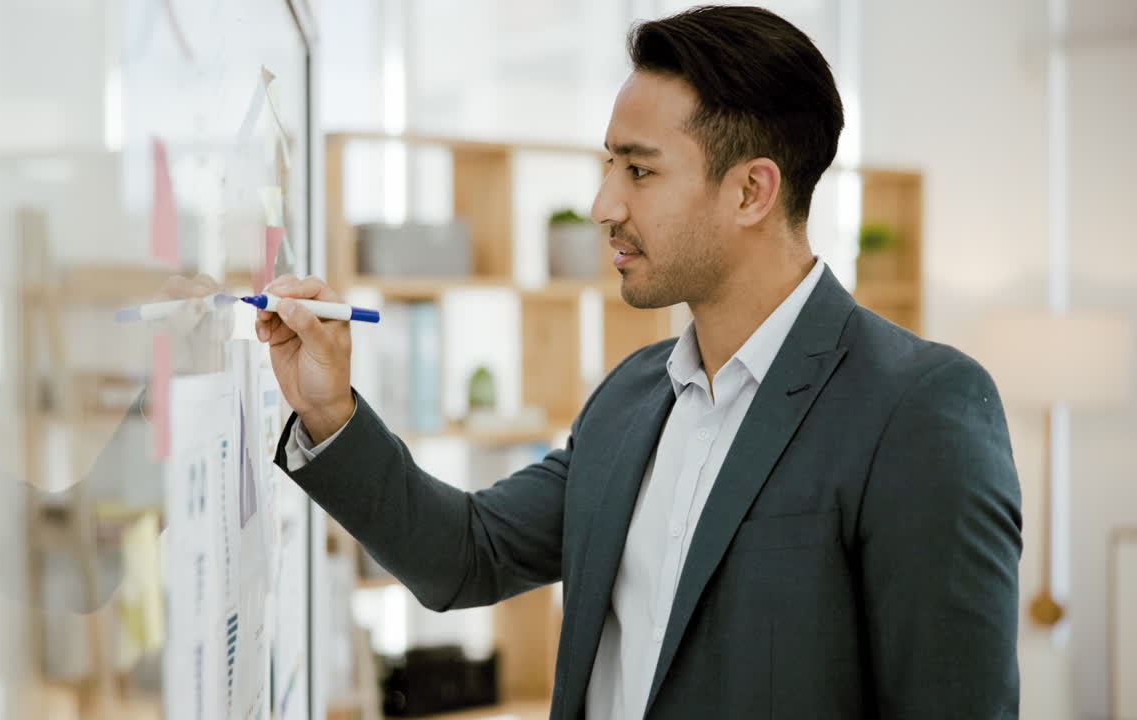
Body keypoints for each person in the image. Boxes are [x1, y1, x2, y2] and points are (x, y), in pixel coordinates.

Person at [255, 5, 1022, 718]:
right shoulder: (629, 399)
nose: (602, 205)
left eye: (639, 170)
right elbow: (466, 556)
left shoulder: (919, 409)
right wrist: (329, 411)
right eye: (607, 165)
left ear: (752, 190)